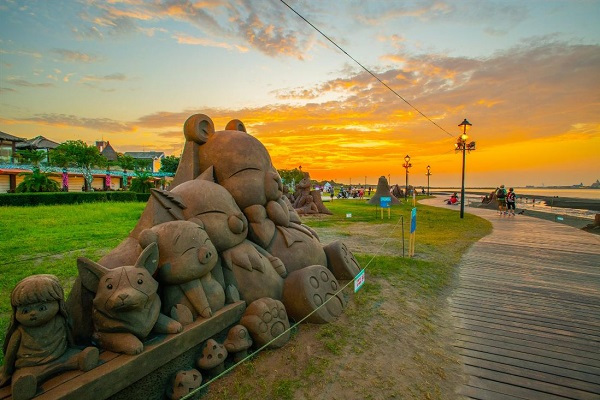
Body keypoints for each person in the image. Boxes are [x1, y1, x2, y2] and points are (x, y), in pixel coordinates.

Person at [0, 275, 98, 400]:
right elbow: (10, 353)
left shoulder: (60, 321)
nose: (33, 313)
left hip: (62, 356)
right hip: (32, 366)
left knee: (77, 357)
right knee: (24, 376)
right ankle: (24, 384)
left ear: (58, 304)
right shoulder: (20, 332)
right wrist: (7, 372)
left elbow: (68, 336)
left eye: (42, 308)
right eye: (25, 311)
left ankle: (83, 358)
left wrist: (74, 347)